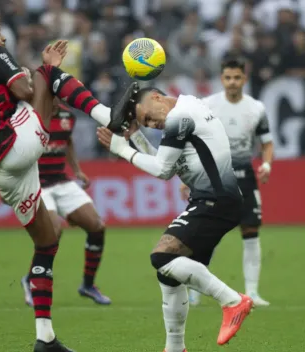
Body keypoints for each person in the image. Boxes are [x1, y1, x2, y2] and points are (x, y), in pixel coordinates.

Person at [0, 4, 130, 351]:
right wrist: (42, 71)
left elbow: (7, 100)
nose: (2, 35)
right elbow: (24, 91)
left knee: (47, 243)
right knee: (48, 74)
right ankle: (108, 115)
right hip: (14, 146)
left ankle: (45, 338)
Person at [97, 84, 254, 352]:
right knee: (169, 275)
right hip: (217, 199)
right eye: (145, 123)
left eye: (147, 117)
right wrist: (136, 139)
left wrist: (122, 149)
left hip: (215, 200)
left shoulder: (180, 117)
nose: (151, 125)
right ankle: (174, 348)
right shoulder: (188, 107)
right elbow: (167, 167)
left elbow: (161, 170)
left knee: (162, 257)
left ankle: (232, 301)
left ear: (157, 98)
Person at [181, 57, 273, 307]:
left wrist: (266, 164)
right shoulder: (208, 106)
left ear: (244, 79)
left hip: (244, 176)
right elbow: (194, 141)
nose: (232, 82)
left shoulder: (256, 108)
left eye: (237, 77)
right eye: (228, 78)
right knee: (205, 234)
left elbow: (266, 142)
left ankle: (252, 292)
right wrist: (188, 175)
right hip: (213, 176)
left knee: (251, 232)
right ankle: (194, 291)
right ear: (222, 79)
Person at [21, 99, 111, 308]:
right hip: (37, 185)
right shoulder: (27, 117)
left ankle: (88, 285)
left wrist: (77, 170)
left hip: (62, 182)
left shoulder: (66, 116)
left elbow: (67, 141)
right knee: (53, 233)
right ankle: (31, 279)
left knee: (97, 227)